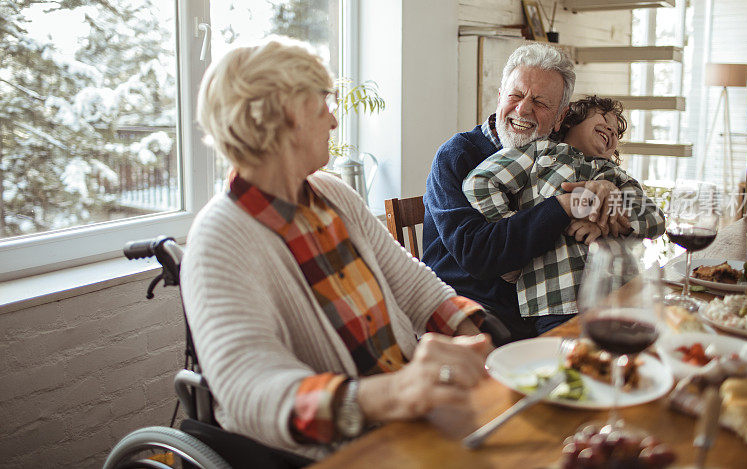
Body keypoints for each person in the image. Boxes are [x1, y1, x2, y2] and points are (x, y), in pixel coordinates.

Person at [181, 37, 492, 461]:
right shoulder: (219, 238)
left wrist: (475, 335)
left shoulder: (331, 192)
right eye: (321, 106)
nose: (333, 121)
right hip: (333, 449)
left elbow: (410, 279)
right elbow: (251, 391)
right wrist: (391, 393)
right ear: (288, 117)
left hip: (405, 417)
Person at [422, 43, 627, 339]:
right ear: (500, 96)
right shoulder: (457, 155)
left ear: (560, 116)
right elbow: (477, 254)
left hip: (548, 305)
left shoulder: (560, 154)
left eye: (541, 103)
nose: (523, 109)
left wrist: (608, 192)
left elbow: (628, 204)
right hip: (474, 312)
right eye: (515, 95)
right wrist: (564, 207)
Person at [463, 95, 666, 332]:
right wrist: (511, 228)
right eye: (603, 117)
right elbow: (479, 182)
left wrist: (605, 219)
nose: (611, 129)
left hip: (622, 295)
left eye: (616, 133)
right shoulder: (540, 153)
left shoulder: (616, 175)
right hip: (559, 300)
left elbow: (655, 219)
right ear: (569, 121)